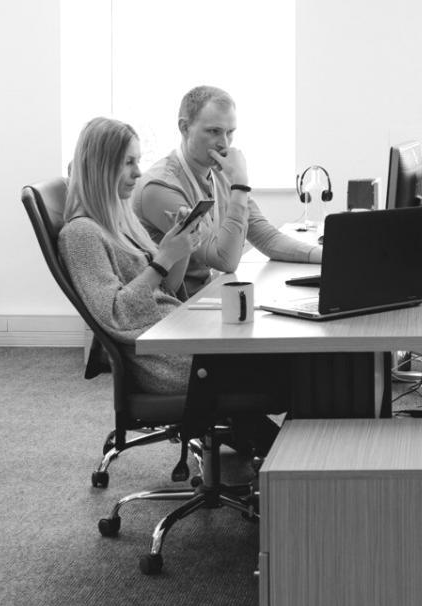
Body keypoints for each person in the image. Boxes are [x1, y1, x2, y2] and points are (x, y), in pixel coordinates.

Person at [59, 116, 280, 457]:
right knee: (291, 368)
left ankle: (283, 464)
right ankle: (293, 475)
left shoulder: (119, 220)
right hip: (161, 359)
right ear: (102, 167)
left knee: (288, 356)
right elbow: (116, 314)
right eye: (128, 163)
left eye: (138, 161)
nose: (137, 172)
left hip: (174, 335)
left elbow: (169, 289)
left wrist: (180, 249)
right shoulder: (81, 234)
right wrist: (162, 258)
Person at [134, 86, 321, 296]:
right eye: (213, 131)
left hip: (207, 298)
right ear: (184, 127)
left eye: (230, 132)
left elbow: (267, 238)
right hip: (173, 311)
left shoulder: (219, 172)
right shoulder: (160, 187)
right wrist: (240, 184)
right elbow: (224, 260)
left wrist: (328, 256)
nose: (224, 144)